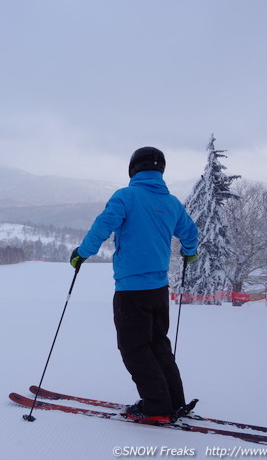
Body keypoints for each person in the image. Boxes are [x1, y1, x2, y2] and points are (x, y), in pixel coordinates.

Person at [70, 146, 198, 424]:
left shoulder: (126, 197)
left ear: (133, 169)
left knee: (134, 347)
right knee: (158, 344)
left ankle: (156, 406)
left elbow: (102, 226)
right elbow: (190, 233)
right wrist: (190, 251)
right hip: (159, 289)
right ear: (160, 170)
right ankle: (173, 401)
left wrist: (82, 253)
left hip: (131, 290)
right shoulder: (172, 203)